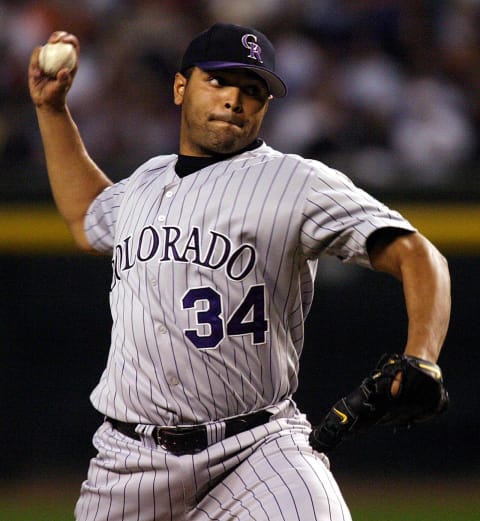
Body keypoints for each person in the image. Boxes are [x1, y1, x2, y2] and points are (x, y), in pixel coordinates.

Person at [28, 23, 450, 521]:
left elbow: (418, 253)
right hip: (128, 462)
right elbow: (86, 215)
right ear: (181, 87)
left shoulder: (297, 182)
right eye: (220, 82)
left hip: (257, 450)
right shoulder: (145, 181)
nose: (235, 99)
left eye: (253, 90)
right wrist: (51, 110)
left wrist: (421, 356)